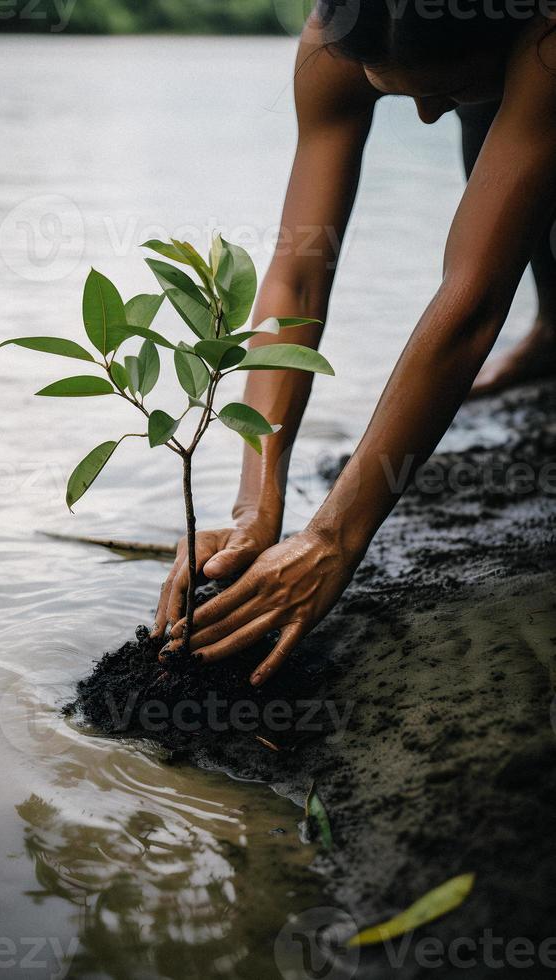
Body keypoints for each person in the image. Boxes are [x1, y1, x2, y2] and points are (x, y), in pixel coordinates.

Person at [152, 0, 556, 684]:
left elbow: (473, 300)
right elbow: (301, 275)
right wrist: (258, 507)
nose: (424, 116)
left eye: (444, 90)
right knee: (484, 129)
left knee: (515, 152)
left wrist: (333, 538)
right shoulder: (334, 34)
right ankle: (553, 333)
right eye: (395, 90)